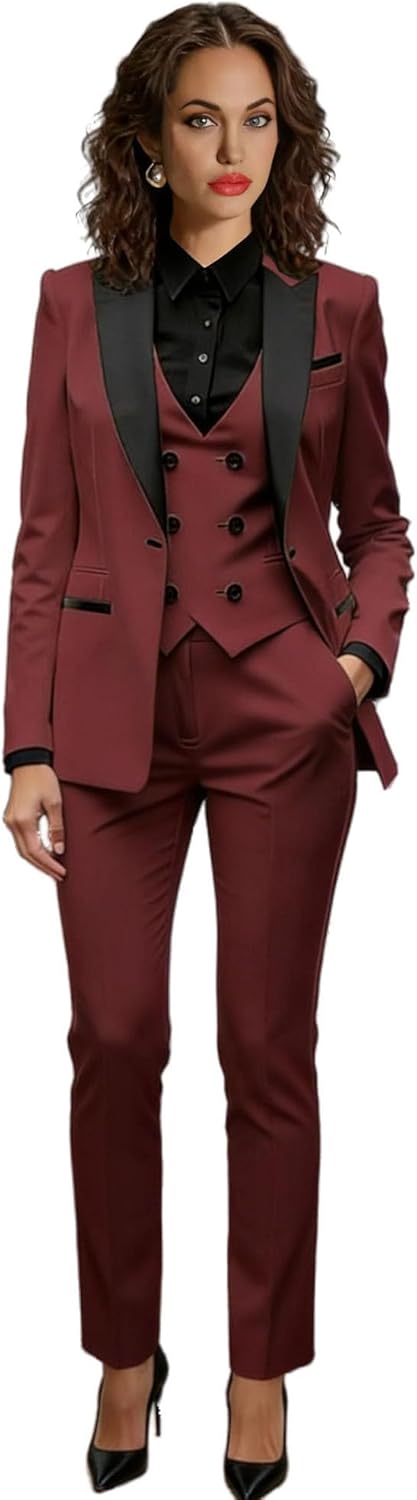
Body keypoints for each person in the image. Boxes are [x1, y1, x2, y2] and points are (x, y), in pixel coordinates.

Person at [2, 5, 414, 1497]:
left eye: (257, 119)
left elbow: (378, 525)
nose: (232, 149)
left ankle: (259, 1370)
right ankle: (125, 1351)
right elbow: (44, 540)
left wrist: (353, 665)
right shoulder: (71, 304)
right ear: (148, 137)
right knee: (114, 1041)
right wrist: (26, 743)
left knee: (265, 1048)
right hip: (107, 719)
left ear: (285, 137)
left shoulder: (342, 305)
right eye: (199, 118)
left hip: (279, 716)